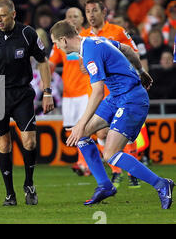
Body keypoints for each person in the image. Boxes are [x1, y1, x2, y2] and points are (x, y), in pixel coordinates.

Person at [50, 20, 173, 209]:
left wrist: (81, 123)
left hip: (132, 99)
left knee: (110, 153)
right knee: (82, 136)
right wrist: (141, 71)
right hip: (117, 96)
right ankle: (105, 185)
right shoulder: (96, 41)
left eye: (56, 43)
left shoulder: (89, 52)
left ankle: (161, 184)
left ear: (64, 40)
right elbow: (127, 49)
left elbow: (98, 92)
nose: (56, 46)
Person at [0, 0, 54, 206]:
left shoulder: (28, 34)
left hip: (22, 93)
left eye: (3, 15)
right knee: (4, 143)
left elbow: (43, 63)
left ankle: (29, 184)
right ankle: (9, 194)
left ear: (13, 14)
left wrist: (47, 92)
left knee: (30, 141)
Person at [80, 0, 142, 188]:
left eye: (94, 11)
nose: (91, 15)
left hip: (123, 91)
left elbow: (134, 53)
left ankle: (132, 172)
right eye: (88, 11)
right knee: (101, 132)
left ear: (104, 12)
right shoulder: (84, 36)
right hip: (101, 91)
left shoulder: (118, 31)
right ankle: (116, 172)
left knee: (122, 131)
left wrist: (139, 74)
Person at [49, 7, 91, 176]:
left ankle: (84, 163)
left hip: (86, 91)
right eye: (68, 16)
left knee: (84, 129)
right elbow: (51, 62)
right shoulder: (61, 41)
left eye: (75, 16)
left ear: (82, 19)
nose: (72, 19)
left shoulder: (88, 37)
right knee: (72, 130)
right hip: (68, 92)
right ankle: (85, 161)